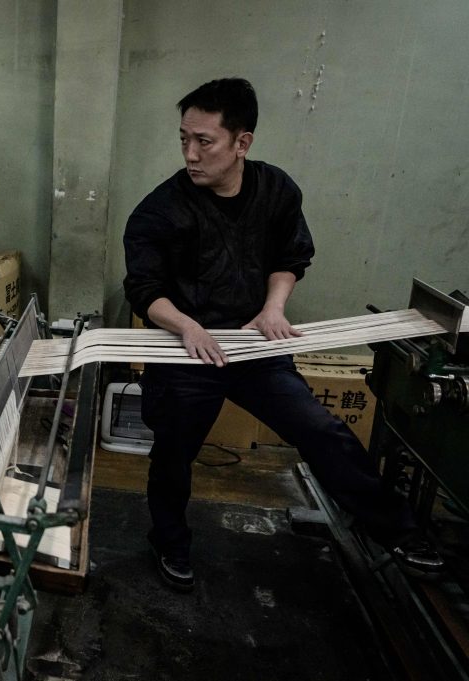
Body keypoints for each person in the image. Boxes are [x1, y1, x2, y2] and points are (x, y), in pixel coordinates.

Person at [122, 77, 443, 592]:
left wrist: (273, 309)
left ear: (242, 142)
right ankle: (170, 542)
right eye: (184, 138)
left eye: (205, 141)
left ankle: (398, 531)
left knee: (320, 429)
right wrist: (188, 326)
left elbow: (290, 258)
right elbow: (144, 288)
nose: (190, 153)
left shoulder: (276, 191)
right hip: (187, 349)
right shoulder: (160, 210)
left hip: (253, 345)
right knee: (173, 454)